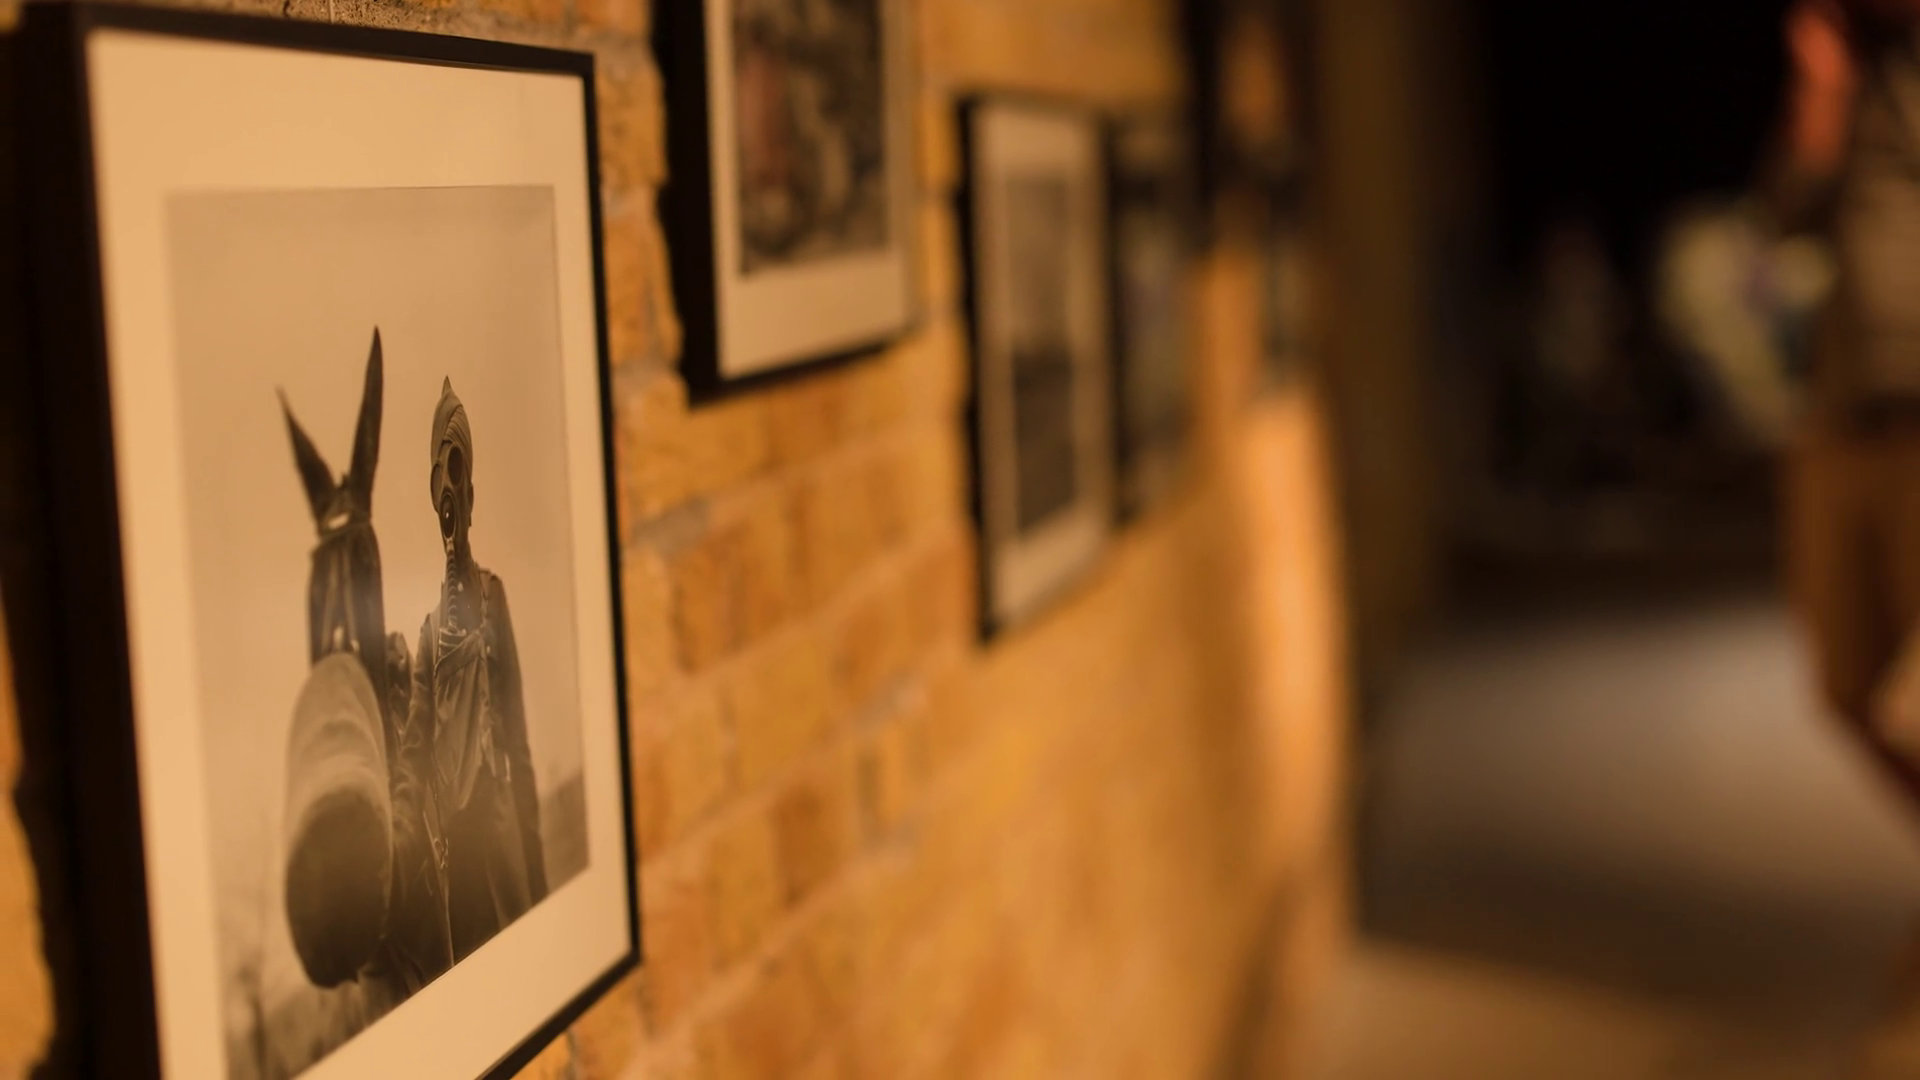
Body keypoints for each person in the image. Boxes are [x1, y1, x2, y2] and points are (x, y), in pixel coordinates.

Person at [1772, 0, 1920, 809]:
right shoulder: (1849, 78)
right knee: (1848, 687)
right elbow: (1787, 214)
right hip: (1843, 414)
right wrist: (1822, 93)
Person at [406, 378, 549, 963]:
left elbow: (518, 740)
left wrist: (537, 873)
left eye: (458, 478)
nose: (451, 500)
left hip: (505, 841)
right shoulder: (427, 637)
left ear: (471, 494)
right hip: (461, 868)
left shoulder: (494, 597)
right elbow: (414, 753)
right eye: (442, 484)